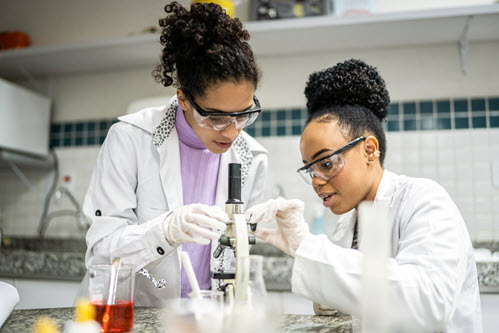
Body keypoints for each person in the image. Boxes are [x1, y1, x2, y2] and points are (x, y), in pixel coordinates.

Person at [248, 59, 481, 332]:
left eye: (326, 164)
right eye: (310, 169)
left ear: (369, 150)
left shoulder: (425, 201)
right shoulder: (349, 225)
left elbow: (427, 303)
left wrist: (308, 247)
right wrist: (328, 299)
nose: (316, 181)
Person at [83, 1, 268, 307]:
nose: (233, 132)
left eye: (244, 114)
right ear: (183, 98)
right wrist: (165, 231)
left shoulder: (253, 157)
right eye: (217, 117)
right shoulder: (130, 138)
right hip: (133, 316)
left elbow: (238, 258)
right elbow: (102, 252)